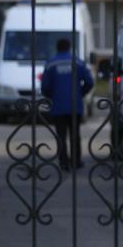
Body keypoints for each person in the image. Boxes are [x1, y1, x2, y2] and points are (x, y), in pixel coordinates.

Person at [41, 38, 94, 171]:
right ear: (69, 47)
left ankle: (63, 161)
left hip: (58, 106)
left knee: (61, 135)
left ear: (57, 48)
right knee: (75, 134)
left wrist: (52, 95)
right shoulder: (78, 62)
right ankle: (76, 161)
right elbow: (89, 81)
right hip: (75, 105)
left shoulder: (51, 64)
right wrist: (80, 93)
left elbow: (45, 86)